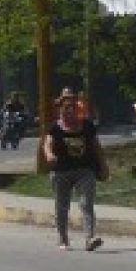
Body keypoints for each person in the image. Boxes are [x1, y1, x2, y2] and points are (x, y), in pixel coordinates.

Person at [44, 88, 110, 252]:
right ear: (61, 109)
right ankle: (63, 237)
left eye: (74, 107)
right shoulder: (55, 128)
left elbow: (96, 147)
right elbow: (47, 144)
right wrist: (49, 155)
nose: (71, 111)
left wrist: (104, 166)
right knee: (62, 205)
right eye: (67, 107)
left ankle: (90, 238)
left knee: (86, 203)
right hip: (61, 172)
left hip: (84, 170)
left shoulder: (87, 126)